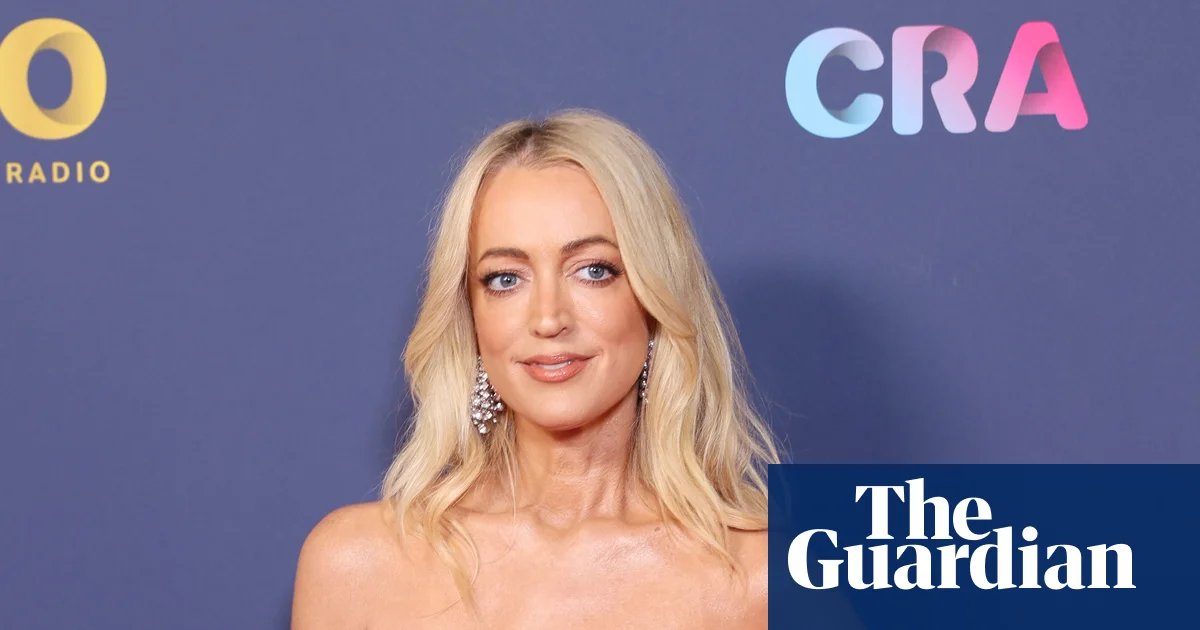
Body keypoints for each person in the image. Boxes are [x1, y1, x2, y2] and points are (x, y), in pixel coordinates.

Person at [291, 109, 781, 628]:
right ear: (469, 315)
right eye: (505, 278)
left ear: (655, 296)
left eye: (594, 270)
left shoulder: (782, 569)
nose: (548, 318)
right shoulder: (355, 563)